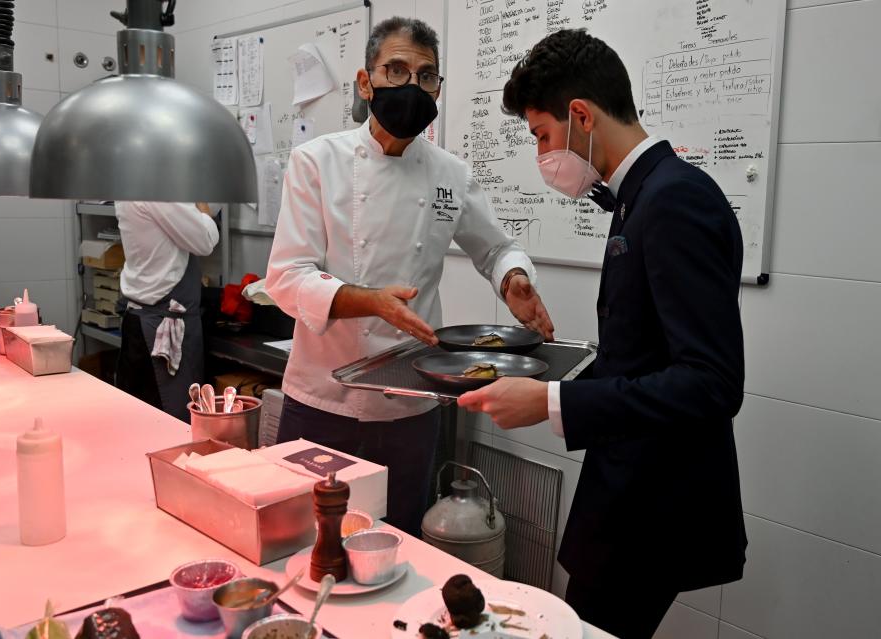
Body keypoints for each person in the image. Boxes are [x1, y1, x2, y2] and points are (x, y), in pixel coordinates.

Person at [458, 29, 747, 639]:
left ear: (581, 115)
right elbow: (647, 351)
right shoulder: (635, 198)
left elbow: (711, 382)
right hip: (627, 480)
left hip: (655, 502)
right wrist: (547, 371)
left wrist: (549, 401)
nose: (542, 154)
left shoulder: (675, 200)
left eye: (542, 135)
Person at [265, 17, 554, 537]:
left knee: (396, 544)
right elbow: (287, 278)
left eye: (426, 76)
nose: (411, 87)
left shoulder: (450, 173)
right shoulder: (316, 162)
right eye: (395, 71)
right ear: (365, 81)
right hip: (323, 402)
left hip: (412, 408)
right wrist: (371, 302)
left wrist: (513, 278)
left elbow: (497, 248)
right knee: (308, 542)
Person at [115, 201, 219, 423]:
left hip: (141, 320)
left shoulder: (131, 182)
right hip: (160, 328)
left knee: (141, 425)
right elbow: (205, 240)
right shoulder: (159, 190)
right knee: (170, 428)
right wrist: (202, 208)